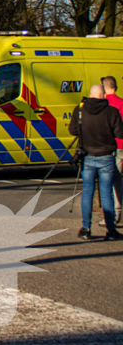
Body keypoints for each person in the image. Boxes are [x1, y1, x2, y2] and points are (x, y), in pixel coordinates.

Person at [69, 84, 123, 240]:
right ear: (103, 95)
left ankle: (86, 228)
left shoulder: (80, 110)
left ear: (90, 95)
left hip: (87, 156)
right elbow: (120, 133)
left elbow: (73, 130)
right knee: (106, 193)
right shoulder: (111, 112)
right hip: (106, 156)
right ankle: (111, 230)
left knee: (87, 193)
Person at [101, 76, 123, 226]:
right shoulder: (121, 102)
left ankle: (113, 215)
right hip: (122, 144)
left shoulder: (103, 105)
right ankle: (118, 211)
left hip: (109, 146)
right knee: (119, 179)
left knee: (109, 181)